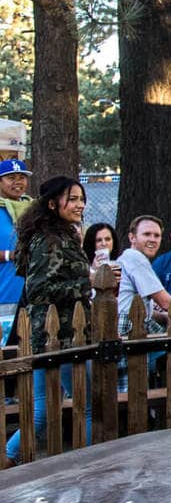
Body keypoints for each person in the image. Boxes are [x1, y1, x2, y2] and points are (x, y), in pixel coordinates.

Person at [5, 177, 92, 463]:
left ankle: (7, 458)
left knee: (44, 410)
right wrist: (86, 284)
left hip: (52, 333)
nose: (79, 204)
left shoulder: (58, 234)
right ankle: (94, 464)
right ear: (53, 203)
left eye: (81, 198)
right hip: (61, 333)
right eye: (73, 198)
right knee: (87, 406)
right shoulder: (50, 239)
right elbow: (39, 289)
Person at [0, 158, 33, 310]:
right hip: (5, 292)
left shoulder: (34, 210)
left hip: (33, 292)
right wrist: (10, 255)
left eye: (22, 177)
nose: (18, 182)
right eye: (11, 178)